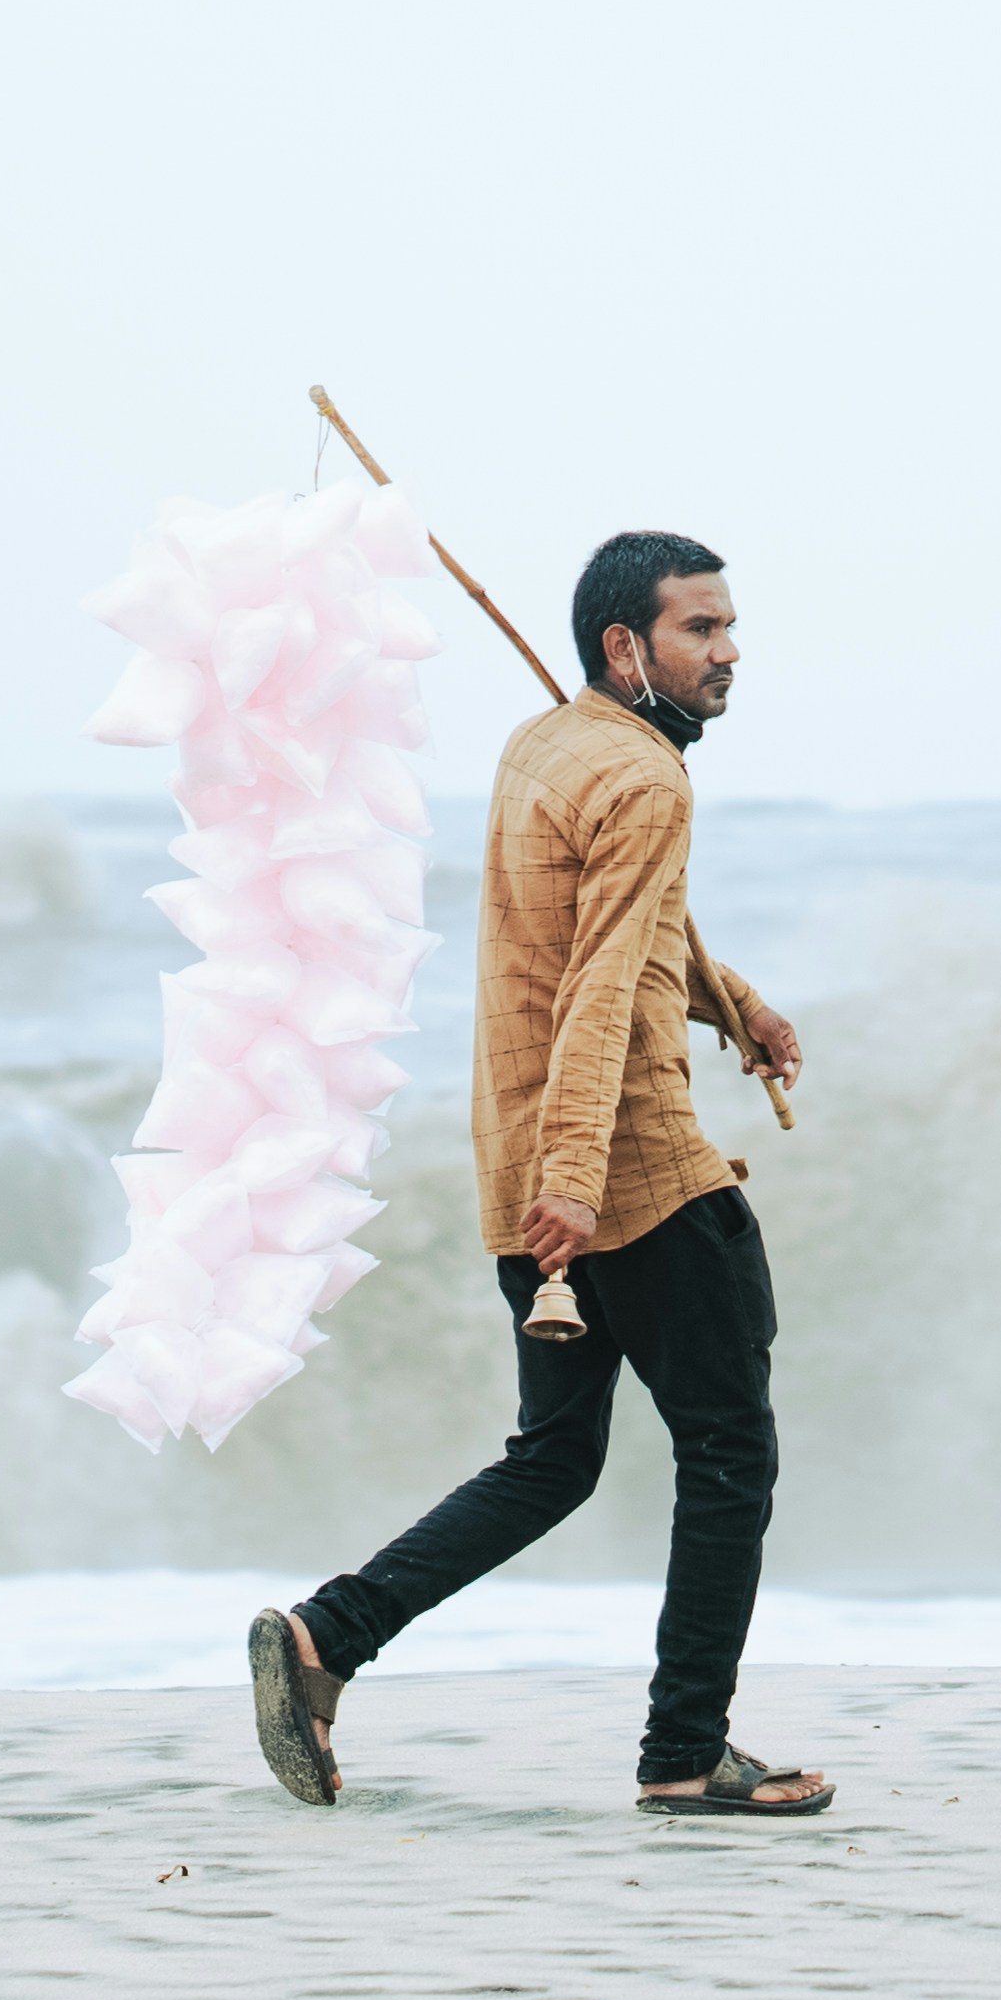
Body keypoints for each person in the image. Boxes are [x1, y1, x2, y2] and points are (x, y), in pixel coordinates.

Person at [247, 529, 827, 1817]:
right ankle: (685, 1750)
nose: (729, 654)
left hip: (518, 1160)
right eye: (699, 631)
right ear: (626, 647)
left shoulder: (547, 747)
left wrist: (738, 1009)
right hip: (630, 1173)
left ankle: (325, 1637)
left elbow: (632, 931)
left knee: (556, 1456)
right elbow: (603, 984)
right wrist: (578, 1178)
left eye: (730, 629)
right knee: (731, 1452)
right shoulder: (650, 783)